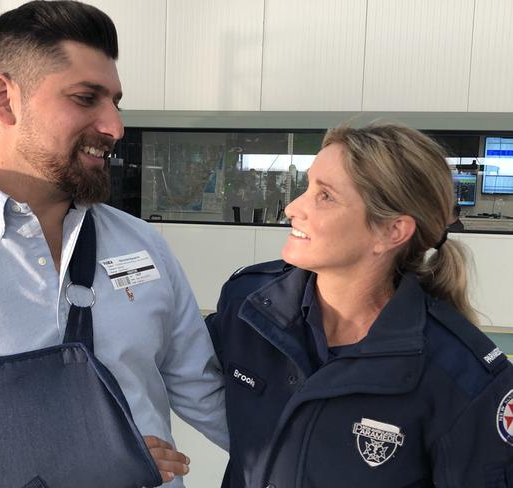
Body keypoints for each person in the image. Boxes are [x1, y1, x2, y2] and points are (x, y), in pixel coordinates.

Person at [0, 1, 227, 484]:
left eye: (115, 101)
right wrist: (74, 456)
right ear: (3, 98)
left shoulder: (144, 247)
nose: (115, 126)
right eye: (85, 98)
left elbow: (208, 394)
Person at [207, 124, 513, 487]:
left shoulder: (464, 378)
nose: (292, 207)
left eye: (325, 196)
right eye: (307, 187)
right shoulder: (249, 307)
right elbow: (160, 367)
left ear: (392, 231)